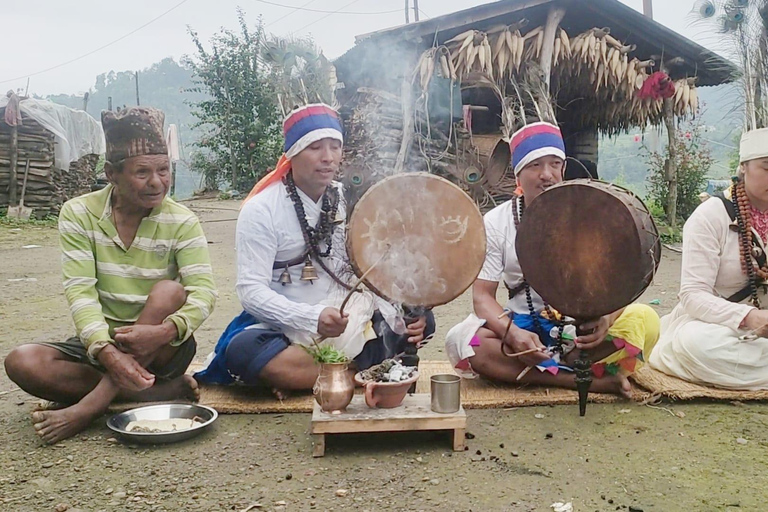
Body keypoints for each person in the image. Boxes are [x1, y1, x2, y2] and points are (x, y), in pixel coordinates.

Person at [4, 107, 217, 444]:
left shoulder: (182, 220)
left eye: (164, 170)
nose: (156, 182)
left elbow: (204, 292)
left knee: (169, 293)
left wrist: (163, 331)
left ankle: (89, 406)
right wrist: (105, 350)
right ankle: (153, 393)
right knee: (22, 361)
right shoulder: (79, 214)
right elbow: (81, 292)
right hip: (103, 343)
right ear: (111, 174)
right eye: (142, 172)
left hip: (162, 348)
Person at [195, 103, 434, 394]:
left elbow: (380, 264)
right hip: (286, 328)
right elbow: (251, 292)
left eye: (335, 147)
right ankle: (360, 373)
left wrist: (411, 309)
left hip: (350, 317)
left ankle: (308, 377)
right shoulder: (261, 209)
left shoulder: (349, 198)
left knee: (418, 320)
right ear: (292, 153)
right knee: (242, 351)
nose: (328, 158)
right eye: (315, 148)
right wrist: (312, 318)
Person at [445, 122, 659, 397]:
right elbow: (482, 297)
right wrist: (512, 333)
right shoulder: (497, 222)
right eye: (535, 165)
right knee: (466, 342)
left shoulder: (588, 213)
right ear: (518, 174)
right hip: (524, 330)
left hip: (581, 332)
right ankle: (584, 381)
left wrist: (606, 318)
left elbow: (617, 286)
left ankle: (565, 365)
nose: (546, 175)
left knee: (647, 320)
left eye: (554, 164)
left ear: (563, 169)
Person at [649, 127, 768, 389]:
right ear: (744, 167)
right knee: (696, 345)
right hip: (720, 326)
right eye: (767, 168)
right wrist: (751, 317)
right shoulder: (711, 216)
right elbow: (693, 295)